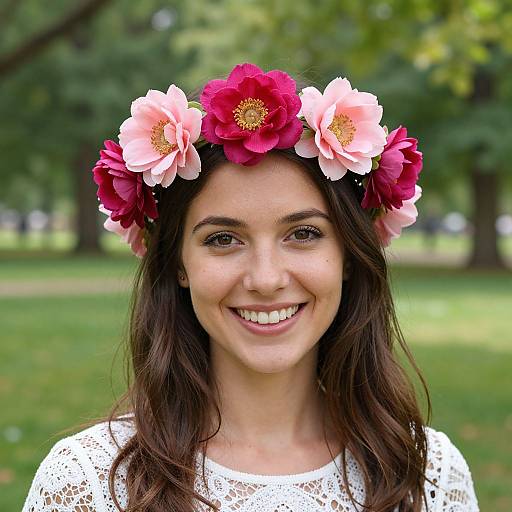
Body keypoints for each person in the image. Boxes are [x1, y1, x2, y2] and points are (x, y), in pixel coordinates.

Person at [22, 63, 478, 512]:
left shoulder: (427, 473)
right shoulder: (89, 483)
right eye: (223, 239)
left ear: (347, 256)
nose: (265, 279)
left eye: (303, 234)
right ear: (179, 263)